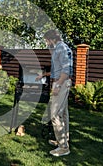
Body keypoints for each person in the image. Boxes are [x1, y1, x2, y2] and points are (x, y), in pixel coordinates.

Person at [36, 29, 73, 157]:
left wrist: (57, 85)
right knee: (62, 114)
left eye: (46, 40)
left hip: (61, 83)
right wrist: (44, 75)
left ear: (51, 39)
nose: (46, 43)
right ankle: (63, 141)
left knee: (55, 115)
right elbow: (58, 69)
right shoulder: (60, 48)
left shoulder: (61, 48)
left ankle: (63, 148)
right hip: (61, 82)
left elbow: (66, 69)